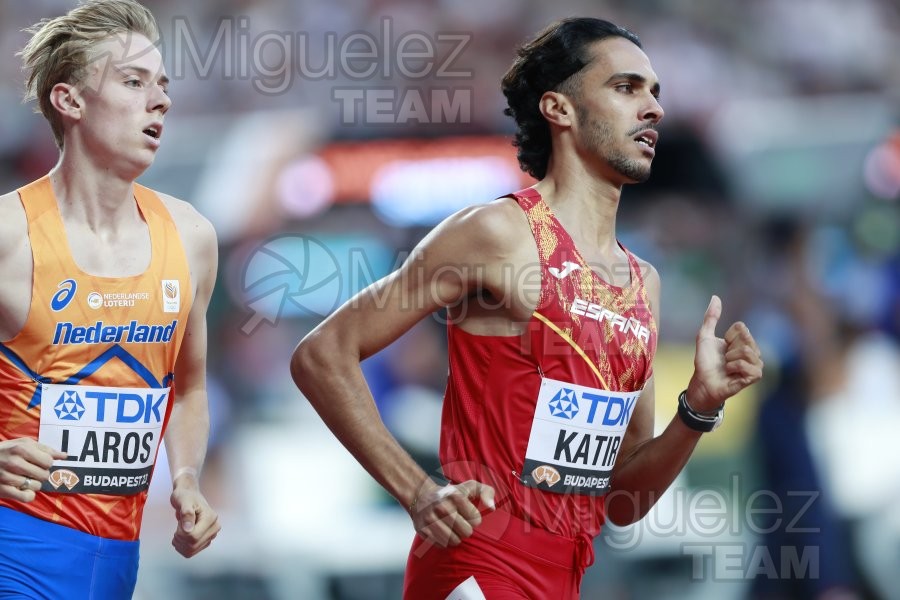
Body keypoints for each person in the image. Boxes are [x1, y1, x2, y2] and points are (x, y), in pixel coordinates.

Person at [291, 17, 763, 600]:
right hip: (478, 568)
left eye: (655, 92)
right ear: (559, 109)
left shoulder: (643, 284)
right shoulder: (496, 233)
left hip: (564, 580)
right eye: (626, 87)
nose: (653, 109)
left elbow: (621, 502)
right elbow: (322, 354)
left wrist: (698, 408)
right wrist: (416, 491)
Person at [0, 1, 220, 597]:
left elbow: (189, 387)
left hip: (117, 565)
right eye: (133, 82)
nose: (162, 101)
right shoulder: (9, 236)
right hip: (13, 546)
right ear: (70, 102)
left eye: (164, 86)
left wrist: (188, 479)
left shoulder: (192, 237)